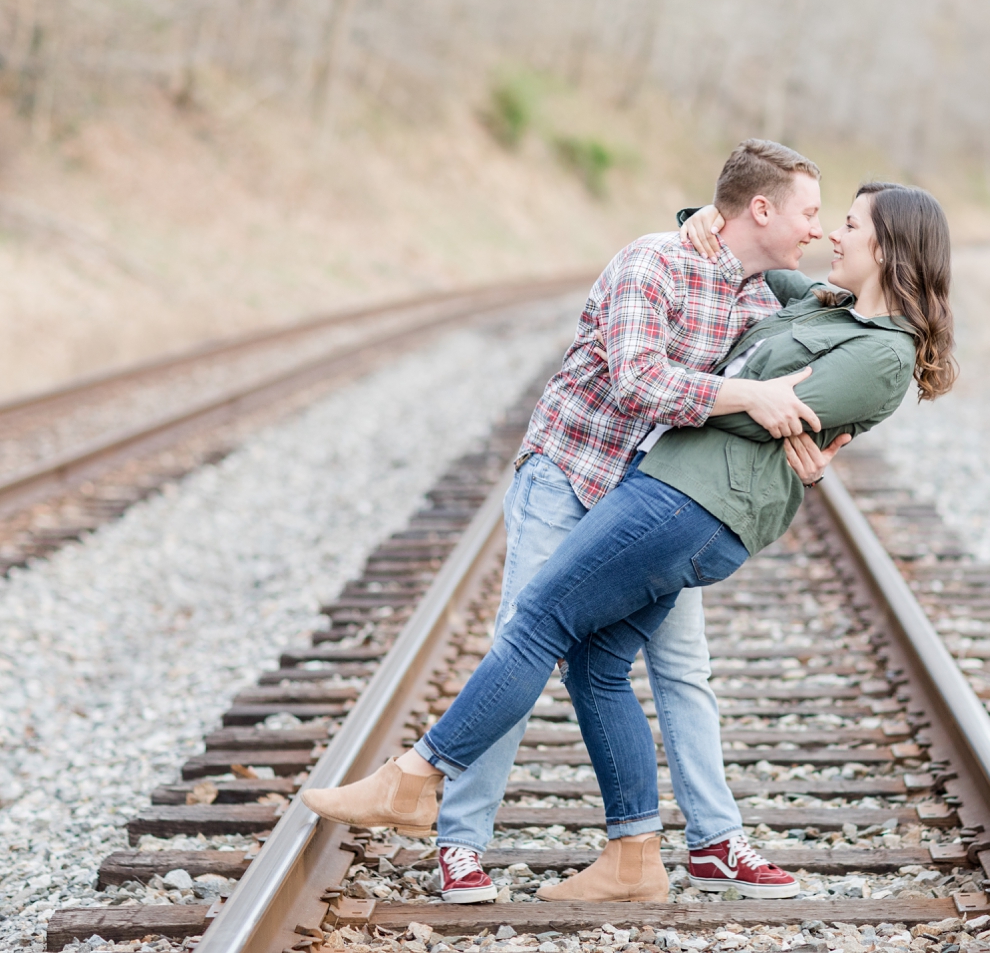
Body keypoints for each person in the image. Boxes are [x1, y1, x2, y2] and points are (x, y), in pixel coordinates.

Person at [302, 179, 956, 905]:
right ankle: (634, 858)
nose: (836, 235)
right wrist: (706, 217)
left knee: (539, 620)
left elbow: (767, 416)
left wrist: (731, 400)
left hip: (688, 503)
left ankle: (417, 778)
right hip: (677, 492)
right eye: (832, 221)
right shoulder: (819, 304)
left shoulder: (884, 354)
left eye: (852, 226)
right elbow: (751, 257)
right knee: (598, 665)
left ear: (892, 247)